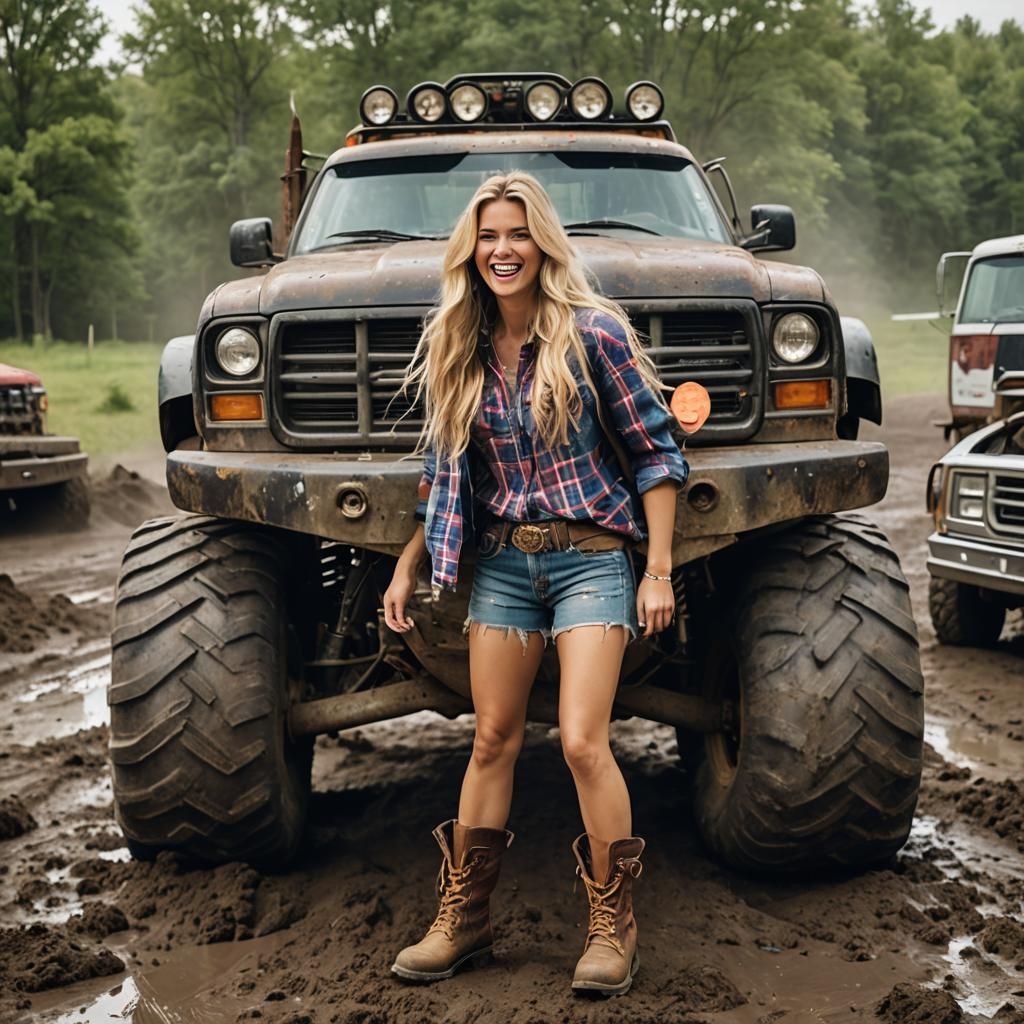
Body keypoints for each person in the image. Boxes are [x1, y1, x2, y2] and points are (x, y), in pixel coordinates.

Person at [384, 171, 691, 996]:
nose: (502, 249)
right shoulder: (461, 347)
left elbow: (658, 454)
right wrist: (411, 561)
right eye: (488, 236)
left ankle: (612, 925)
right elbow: (444, 477)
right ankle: (465, 918)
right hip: (505, 570)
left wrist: (656, 570)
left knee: (586, 741)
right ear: (471, 250)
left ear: (543, 243)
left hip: (591, 559)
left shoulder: (595, 337)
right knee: (491, 739)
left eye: (517, 234)